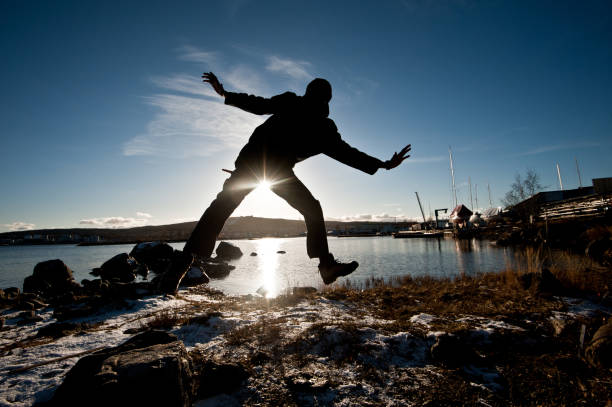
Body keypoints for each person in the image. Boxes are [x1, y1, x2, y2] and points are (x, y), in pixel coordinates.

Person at [184, 72, 411, 284]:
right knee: (225, 206)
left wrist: (383, 164)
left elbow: (347, 153)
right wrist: (226, 94)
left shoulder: (321, 126)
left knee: (306, 207)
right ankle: (184, 261)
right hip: (258, 167)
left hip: (270, 171)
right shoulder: (300, 109)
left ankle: (326, 265)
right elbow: (259, 104)